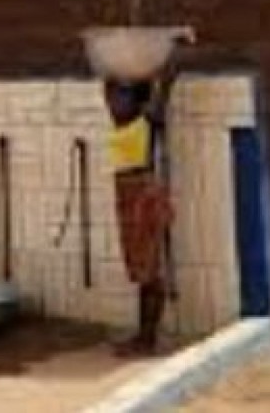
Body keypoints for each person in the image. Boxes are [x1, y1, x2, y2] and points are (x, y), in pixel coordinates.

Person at [105, 74, 175, 356]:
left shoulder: (144, 122)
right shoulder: (121, 123)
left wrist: (171, 56)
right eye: (113, 98)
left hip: (142, 194)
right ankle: (143, 336)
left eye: (122, 98)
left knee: (149, 271)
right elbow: (107, 84)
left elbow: (164, 89)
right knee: (141, 269)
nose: (113, 103)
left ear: (137, 103)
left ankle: (147, 339)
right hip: (127, 193)